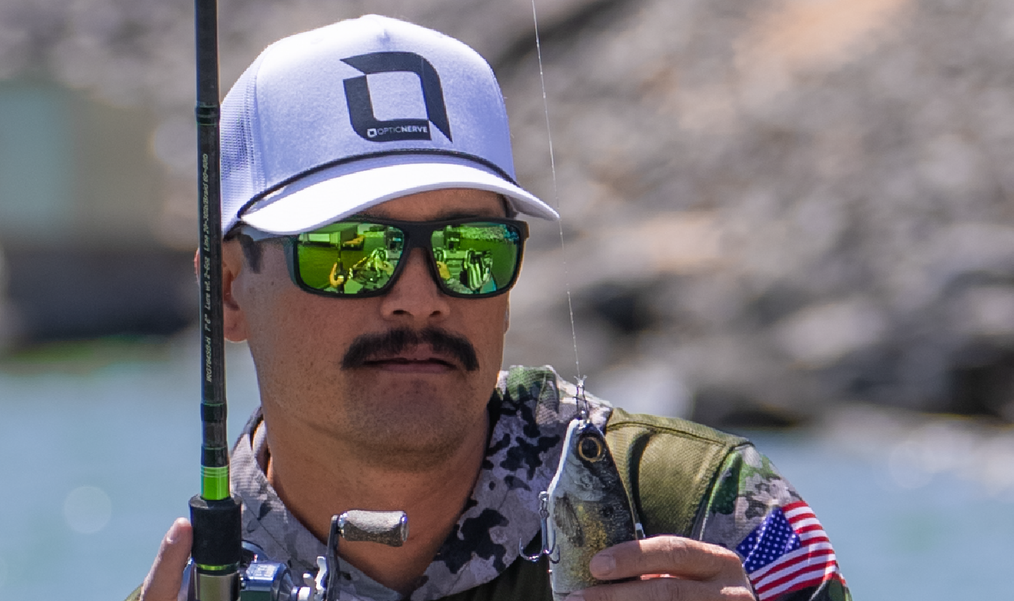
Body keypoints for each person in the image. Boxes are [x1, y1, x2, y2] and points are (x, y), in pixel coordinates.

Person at [136, 14, 852, 601]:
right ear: (227, 290)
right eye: (352, 253)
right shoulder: (185, 591)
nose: (420, 297)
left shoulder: (708, 514)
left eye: (469, 250)